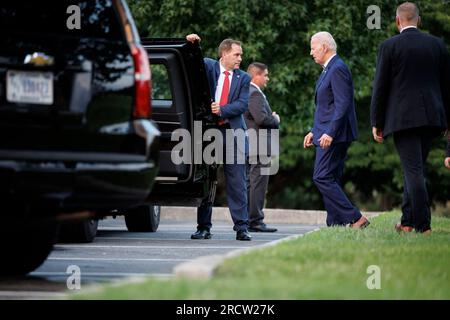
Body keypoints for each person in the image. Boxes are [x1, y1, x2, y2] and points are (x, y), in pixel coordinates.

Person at [370, 2, 450, 234]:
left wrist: (376, 121)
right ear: (419, 20)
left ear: (397, 21)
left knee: (413, 171)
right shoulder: (437, 45)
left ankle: (423, 226)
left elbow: (380, 87)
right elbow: (447, 86)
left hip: (403, 119)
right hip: (432, 118)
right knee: (414, 168)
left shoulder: (389, 46)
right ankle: (407, 222)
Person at [186, 33, 252, 241]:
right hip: (210, 132)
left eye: (240, 55)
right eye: (237, 54)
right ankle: (203, 227)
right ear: (224, 54)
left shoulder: (244, 78)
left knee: (237, 182)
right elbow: (190, 64)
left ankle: (242, 228)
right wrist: (192, 45)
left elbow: (242, 105)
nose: (240, 58)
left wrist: (221, 109)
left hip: (234, 133)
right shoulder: (208, 67)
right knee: (207, 180)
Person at [304, 32, 369, 228]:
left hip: (335, 134)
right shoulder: (328, 69)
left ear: (324, 47)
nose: (311, 52)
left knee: (321, 176)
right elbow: (326, 107)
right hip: (326, 132)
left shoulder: (338, 68)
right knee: (331, 177)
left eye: (313, 48)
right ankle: (335, 222)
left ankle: (355, 218)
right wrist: (314, 131)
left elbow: (343, 104)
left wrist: (330, 132)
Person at [245, 62, 279, 232]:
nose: (267, 78)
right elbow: (261, 120)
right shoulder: (254, 94)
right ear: (256, 76)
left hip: (254, 145)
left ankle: (250, 219)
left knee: (253, 183)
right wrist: (276, 119)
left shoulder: (250, 92)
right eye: (265, 75)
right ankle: (255, 221)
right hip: (258, 146)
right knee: (258, 184)